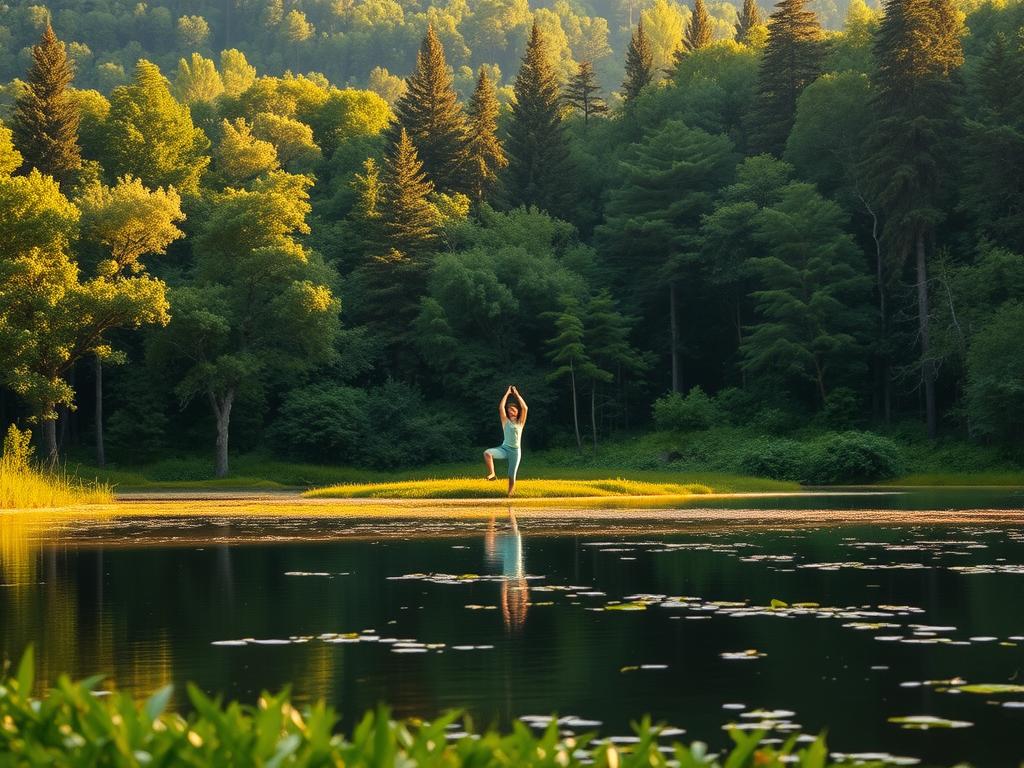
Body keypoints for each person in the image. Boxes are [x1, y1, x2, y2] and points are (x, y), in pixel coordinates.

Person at [483, 385, 527, 496]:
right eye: (509, 410)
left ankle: (509, 495)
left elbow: (525, 408)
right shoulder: (505, 421)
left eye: (513, 409)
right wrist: (507, 393)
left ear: (517, 412)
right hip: (504, 448)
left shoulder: (520, 423)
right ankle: (492, 474)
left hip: (515, 452)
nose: (511, 411)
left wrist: (516, 394)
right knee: (487, 453)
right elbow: (501, 408)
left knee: (511, 476)